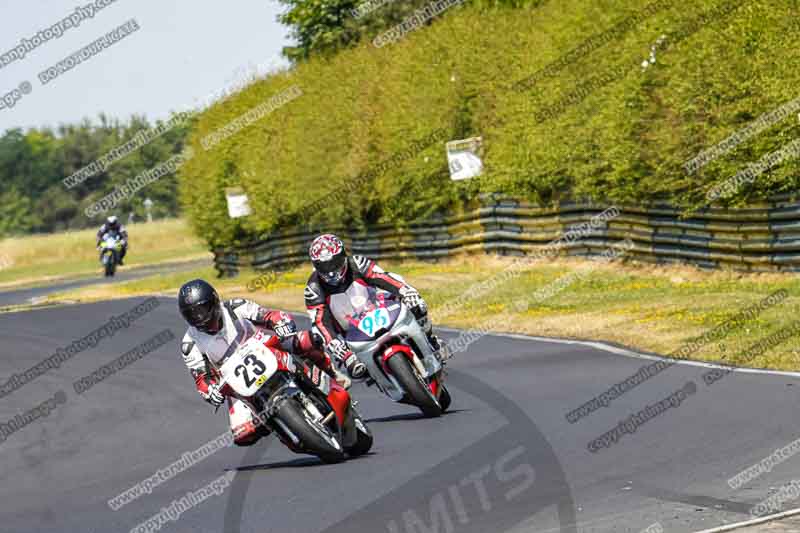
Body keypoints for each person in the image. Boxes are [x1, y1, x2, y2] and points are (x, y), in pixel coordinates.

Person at [177, 279, 345, 447]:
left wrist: (281, 323)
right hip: (236, 380)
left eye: (202, 309)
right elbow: (201, 378)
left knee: (307, 341)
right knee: (242, 435)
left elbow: (269, 315)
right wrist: (210, 391)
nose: (199, 317)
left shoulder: (235, 307)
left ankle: (331, 374)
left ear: (214, 301)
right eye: (192, 314)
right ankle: (277, 425)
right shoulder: (190, 343)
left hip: (267, 346)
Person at [304, 234, 448, 380]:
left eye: (334, 263)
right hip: (351, 331)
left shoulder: (357, 263)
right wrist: (336, 346)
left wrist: (405, 291)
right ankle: (379, 377)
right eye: (324, 266)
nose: (331, 270)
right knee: (355, 370)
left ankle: (431, 340)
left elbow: (384, 277)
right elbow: (320, 322)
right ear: (316, 266)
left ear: (342, 255)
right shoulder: (313, 288)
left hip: (380, 308)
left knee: (418, 306)